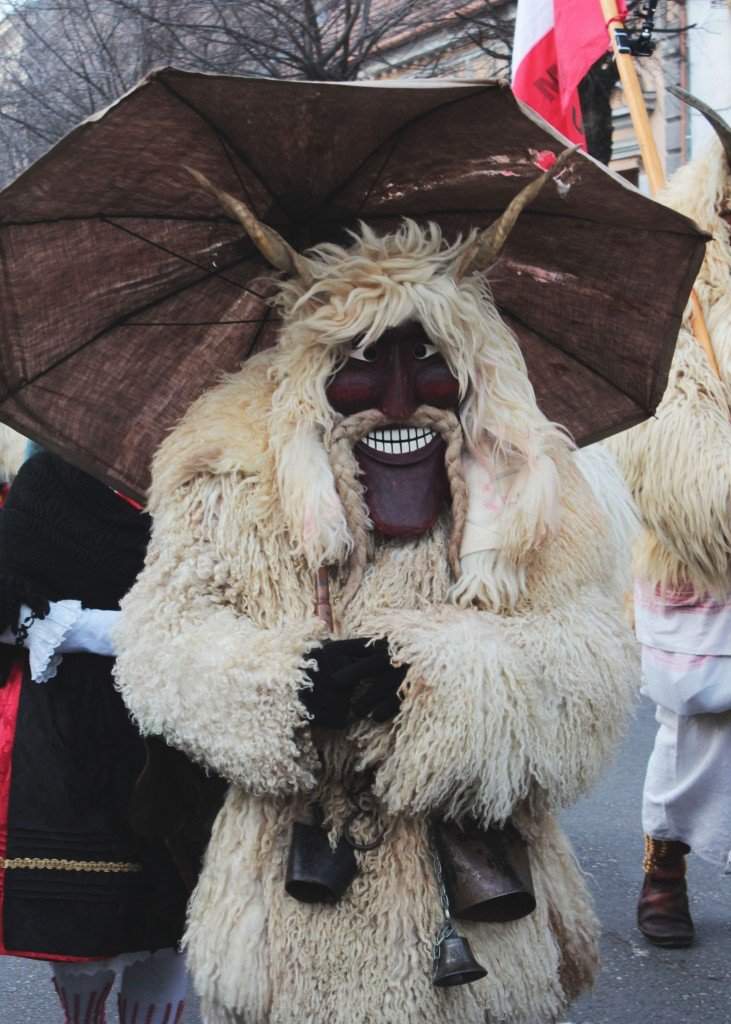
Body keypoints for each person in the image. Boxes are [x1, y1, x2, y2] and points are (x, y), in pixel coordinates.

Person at [114, 157, 637, 1024]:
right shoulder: (225, 476)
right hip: (293, 905)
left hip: (485, 904)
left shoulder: (534, 487)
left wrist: (450, 681)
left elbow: (595, 664)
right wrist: (284, 685)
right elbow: (164, 640)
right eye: (360, 362)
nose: (397, 401)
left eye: (426, 360)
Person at [0, 449, 190, 1023]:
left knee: (173, 922)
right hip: (72, 735)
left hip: (181, 728)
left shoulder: (207, 485)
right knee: (82, 932)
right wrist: (74, 628)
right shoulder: (52, 482)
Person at [609, 92, 731, 947]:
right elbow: (662, 432)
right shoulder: (675, 282)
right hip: (705, 549)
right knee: (697, 717)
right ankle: (666, 861)